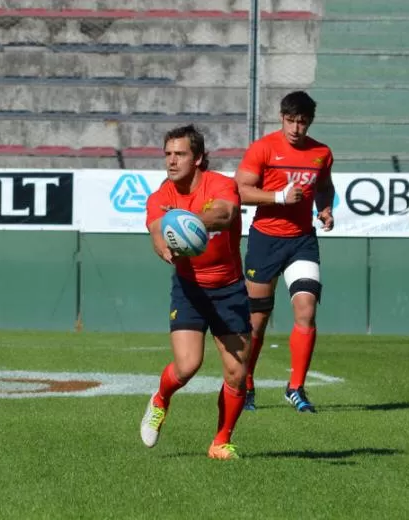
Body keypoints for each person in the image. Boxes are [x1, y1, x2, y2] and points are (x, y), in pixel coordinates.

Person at [139, 125, 251, 461]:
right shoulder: (161, 196)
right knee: (187, 366)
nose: (172, 161)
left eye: (180, 154)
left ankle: (221, 441)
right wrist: (163, 245)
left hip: (229, 289)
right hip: (190, 289)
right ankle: (160, 400)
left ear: (198, 157)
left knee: (237, 372)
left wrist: (191, 222)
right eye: (168, 154)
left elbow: (226, 213)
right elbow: (157, 230)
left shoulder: (220, 185)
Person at [234, 91, 336, 413]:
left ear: (310, 122)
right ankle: (246, 384)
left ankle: (296, 388)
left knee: (306, 310)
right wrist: (279, 197)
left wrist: (326, 209)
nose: (295, 128)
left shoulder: (321, 153)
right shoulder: (263, 148)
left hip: (302, 240)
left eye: (302, 122)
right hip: (265, 240)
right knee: (257, 320)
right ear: (281, 118)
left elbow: (324, 187)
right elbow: (240, 191)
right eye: (290, 121)